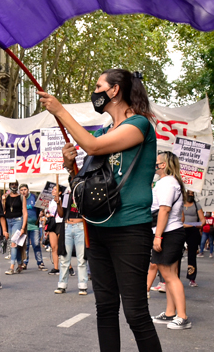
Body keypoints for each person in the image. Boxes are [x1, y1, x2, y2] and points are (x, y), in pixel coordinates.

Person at [39, 68, 162, 352]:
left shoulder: (139, 125)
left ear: (115, 90)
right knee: (105, 308)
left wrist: (60, 111)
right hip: (98, 229)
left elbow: (92, 146)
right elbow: (89, 184)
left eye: (98, 86)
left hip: (130, 230)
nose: (94, 92)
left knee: (135, 313)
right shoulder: (106, 131)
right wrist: (71, 165)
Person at [149, 151, 190, 330]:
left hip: (168, 233)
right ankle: (170, 313)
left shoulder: (167, 182)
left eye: (156, 161)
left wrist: (158, 236)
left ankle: (182, 316)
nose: (154, 164)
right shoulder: (170, 182)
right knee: (170, 276)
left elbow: (164, 210)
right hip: (172, 232)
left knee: (169, 276)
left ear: (163, 164)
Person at [54, 183, 90, 295]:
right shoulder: (66, 196)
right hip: (67, 226)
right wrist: (58, 203)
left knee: (81, 258)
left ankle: (83, 285)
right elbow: (61, 214)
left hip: (80, 226)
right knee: (64, 257)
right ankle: (62, 284)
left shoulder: (84, 195)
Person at [2, 181, 27, 275]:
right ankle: (20, 264)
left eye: (15, 184)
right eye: (12, 184)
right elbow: (3, 211)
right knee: (13, 243)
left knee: (13, 243)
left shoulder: (21, 197)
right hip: (8, 221)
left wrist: (23, 227)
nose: (14, 186)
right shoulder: (6, 197)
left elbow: (25, 213)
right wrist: (3, 201)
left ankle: (11, 267)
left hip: (18, 220)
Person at [19, 184, 46, 271]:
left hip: (34, 225)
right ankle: (24, 262)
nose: (23, 191)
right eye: (21, 190)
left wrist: (41, 214)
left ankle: (40, 262)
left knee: (36, 244)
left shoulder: (34, 197)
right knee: (25, 245)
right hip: (24, 226)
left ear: (28, 190)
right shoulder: (19, 199)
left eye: (25, 189)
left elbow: (40, 208)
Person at [182, 192, 204, 287]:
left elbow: (203, 220)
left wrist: (197, 225)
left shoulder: (196, 205)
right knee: (177, 253)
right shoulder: (180, 203)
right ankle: (174, 276)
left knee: (192, 255)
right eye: (189, 193)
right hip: (180, 230)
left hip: (193, 231)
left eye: (192, 193)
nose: (191, 195)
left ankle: (192, 278)